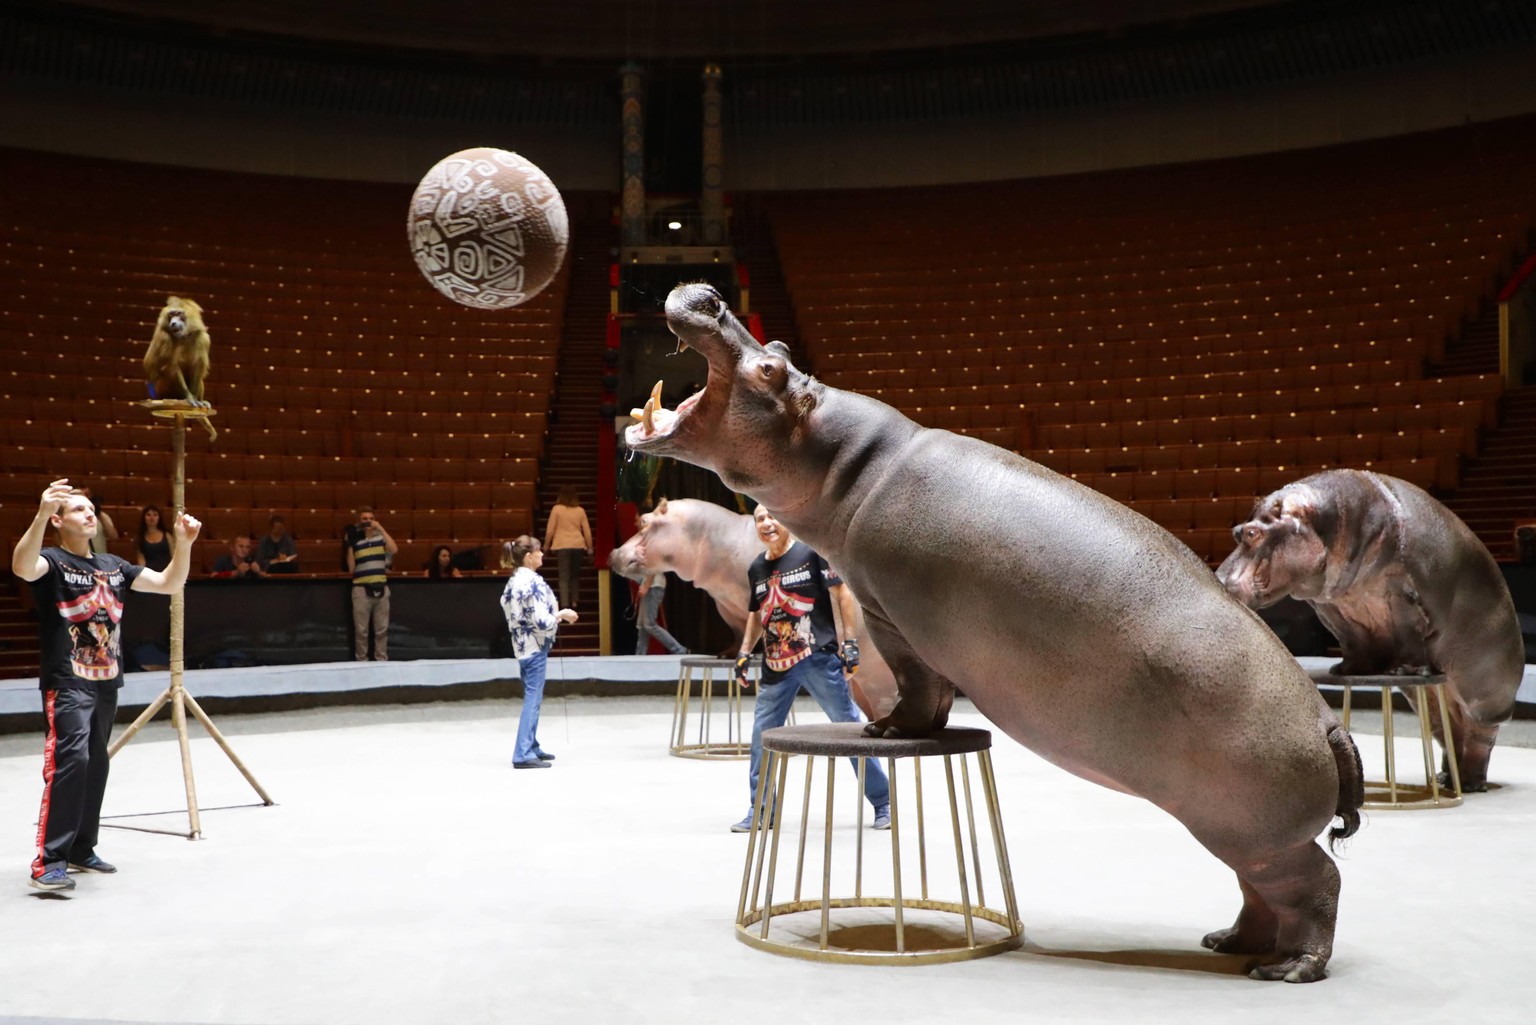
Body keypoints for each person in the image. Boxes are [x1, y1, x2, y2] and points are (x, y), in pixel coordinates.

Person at [11, 479, 201, 892]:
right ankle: (49, 860)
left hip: (105, 682)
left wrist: (183, 544)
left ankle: (81, 848)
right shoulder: (52, 561)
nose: (89, 513)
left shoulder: (114, 565)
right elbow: (21, 567)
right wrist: (41, 513)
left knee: (97, 762)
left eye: (90, 509)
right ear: (59, 521)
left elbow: (170, 583)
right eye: (78, 510)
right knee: (70, 760)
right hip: (67, 681)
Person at [731, 505, 890, 833]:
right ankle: (760, 811)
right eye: (760, 519)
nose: (766, 523)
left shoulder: (810, 553)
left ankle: (883, 802)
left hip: (818, 658)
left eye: (771, 516)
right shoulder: (757, 568)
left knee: (849, 729)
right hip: (776, 666)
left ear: (784, 520)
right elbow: (756, 613)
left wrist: (850, 644)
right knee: (763, 736)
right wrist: (744, 652)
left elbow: (842, 594)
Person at [499, 536, 578, 768]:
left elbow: (505, 604)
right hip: (535, 646)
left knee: (530, 696)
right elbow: (543, 621)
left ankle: (531, 744)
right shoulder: (531, 582)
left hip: (521, 645)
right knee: (533, 699)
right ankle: (523, 751)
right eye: (539, 551)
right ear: (528, 556)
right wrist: (562, 614)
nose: (543, 554)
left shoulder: (514, 581)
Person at [346, 506, 397, 661]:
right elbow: (351, 568)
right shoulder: (356, 540)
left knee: (382, 629)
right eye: (364, 519)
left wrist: (381, 528)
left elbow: (394, 549)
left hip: (381, 587)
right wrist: (349, 544)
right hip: (361, 588)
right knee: (361, 630)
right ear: (359, 522)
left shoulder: (380, 538)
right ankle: (362, 660)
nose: (368, 522)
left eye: (370, 519)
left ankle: (381, 659)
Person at [543, 485, 592, 609]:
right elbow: (587, 532)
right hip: (578, 545)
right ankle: (575, 601)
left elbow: (550, 531)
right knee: (575, 575)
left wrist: (546, 546)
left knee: (563, 576)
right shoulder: (580, 510)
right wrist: (590, 548)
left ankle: (565, 604)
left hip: (562, 545)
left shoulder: (556, 509)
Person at [634, 571, 688, 655]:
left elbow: (652, 567)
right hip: (650, 584)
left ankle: (679, 649)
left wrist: (646, 586)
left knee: (649, 624)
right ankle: (640, 654)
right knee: (642, 624)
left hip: (654, 585)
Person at [78, 486, 118, 555]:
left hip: (99, 557)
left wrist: (99, 515)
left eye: (87, 495)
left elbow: (114, 536)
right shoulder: (71, 517)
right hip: (78, 557)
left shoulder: (103, 516)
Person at [133, 504, 172, 572]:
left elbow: (173, 555)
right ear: (144, 518)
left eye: (155, 515)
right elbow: (141, 560)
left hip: (167, 573)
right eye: (148, 515)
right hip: (150, 575)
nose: (152, 518)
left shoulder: (167, 535)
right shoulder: (139, 538)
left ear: (159, 518)